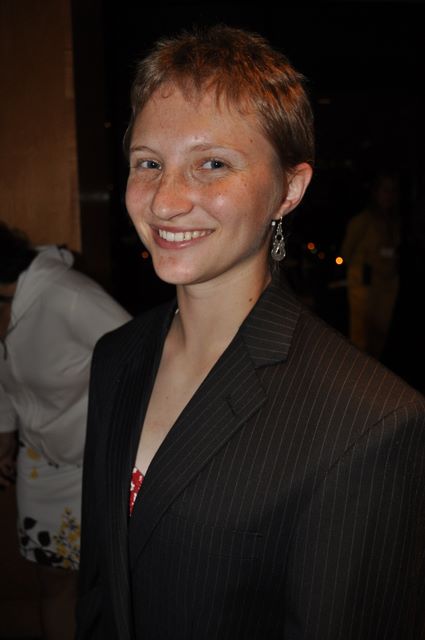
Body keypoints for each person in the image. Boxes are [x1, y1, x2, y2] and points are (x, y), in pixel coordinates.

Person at [76, 25, 425, 640]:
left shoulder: (369, 421)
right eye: (149, 163)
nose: (165, 201)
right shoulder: (116, 355)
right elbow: (102, 589)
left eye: (212, 163)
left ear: (289, 189)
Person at [0, 222, 131, 640]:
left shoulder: (67, 296)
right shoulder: (8, 303)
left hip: (97, 467)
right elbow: (5, 374)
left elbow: (141, 354)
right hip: (40, 464)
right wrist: (5, 438)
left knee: (108, 586)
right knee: (53, 582)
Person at [341, 171, 401, 359]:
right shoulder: (361, 221)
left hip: (387, 286)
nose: (389, 195)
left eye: (393, 190)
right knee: (361, 337)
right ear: (375, 193)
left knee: (379, 335)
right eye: (385, 190)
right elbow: (346, 253)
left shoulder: (394, 223)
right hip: (364, 287)